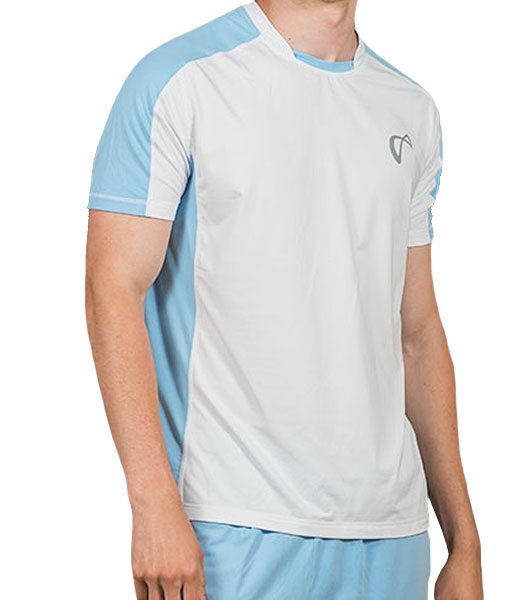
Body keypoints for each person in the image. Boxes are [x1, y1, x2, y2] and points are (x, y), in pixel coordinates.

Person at [84, 0, 483, 598]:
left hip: (391, 535)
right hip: (231, 524)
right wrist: (152, 504)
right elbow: (112, 288)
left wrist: (464, 543)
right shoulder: (182, 80)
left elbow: (417, 332)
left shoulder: (410, 108)